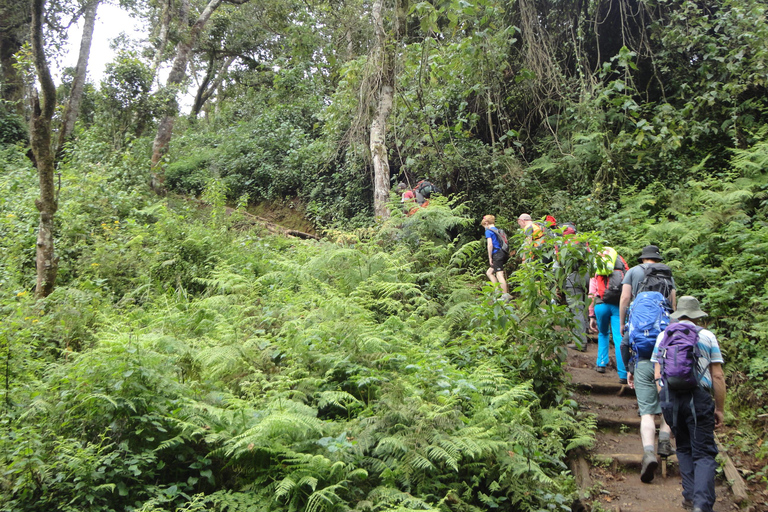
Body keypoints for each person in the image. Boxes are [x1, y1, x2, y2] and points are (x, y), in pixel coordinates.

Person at [652, 296, 725, 512]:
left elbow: (658, 375)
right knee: (703, 453)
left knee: (683, 447)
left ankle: (690, 498)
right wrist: (719, 408)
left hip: (671, 397)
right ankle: (701, 505)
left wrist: (665, 401)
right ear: (696, 316)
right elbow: (718, 376)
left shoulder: (663, 336)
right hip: (698, 397)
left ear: (678, 314)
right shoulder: (707, 336)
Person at [618, 244, 678, 483]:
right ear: (658, 259)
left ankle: (649, 453)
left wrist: (625, 323)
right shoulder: (667, 273)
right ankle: (665, 438)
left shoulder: (632, 271)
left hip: (642, 357)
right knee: (667, 403)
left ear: (643, 258)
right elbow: (673, 304)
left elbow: (624, 297)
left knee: (646, 412)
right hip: (665, 355)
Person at [588, 247, 628, 382]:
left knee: (603, 333)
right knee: (619, 339)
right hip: (618, 306)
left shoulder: (597, 266)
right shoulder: (622, 265)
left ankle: (601, 363)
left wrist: (591, 315)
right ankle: (623, 374)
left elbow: (592, 293)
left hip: (600, 305)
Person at [481, 215, 509, 296]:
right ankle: (497, 291)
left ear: (486, 223)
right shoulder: (497, 230)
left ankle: (504, 295)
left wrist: (490, 257)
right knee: (489, 272)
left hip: (497, 254)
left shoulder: (488, 231)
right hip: (502, 253)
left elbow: (490, 245)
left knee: (499, 274)